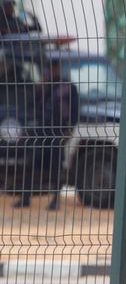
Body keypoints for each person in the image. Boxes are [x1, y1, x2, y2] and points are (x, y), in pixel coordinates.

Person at [15, 59, 78, 210]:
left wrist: (69, 129)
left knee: (56, 168)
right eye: (49, 68)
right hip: (39, 132)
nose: (51, 70)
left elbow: (74, 110)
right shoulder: (43, 87)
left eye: (54, 67)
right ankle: (25, 198)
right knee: (29, 165)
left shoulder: (67, 87)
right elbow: (30, 107)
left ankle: (55, 200)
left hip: (57, 132)